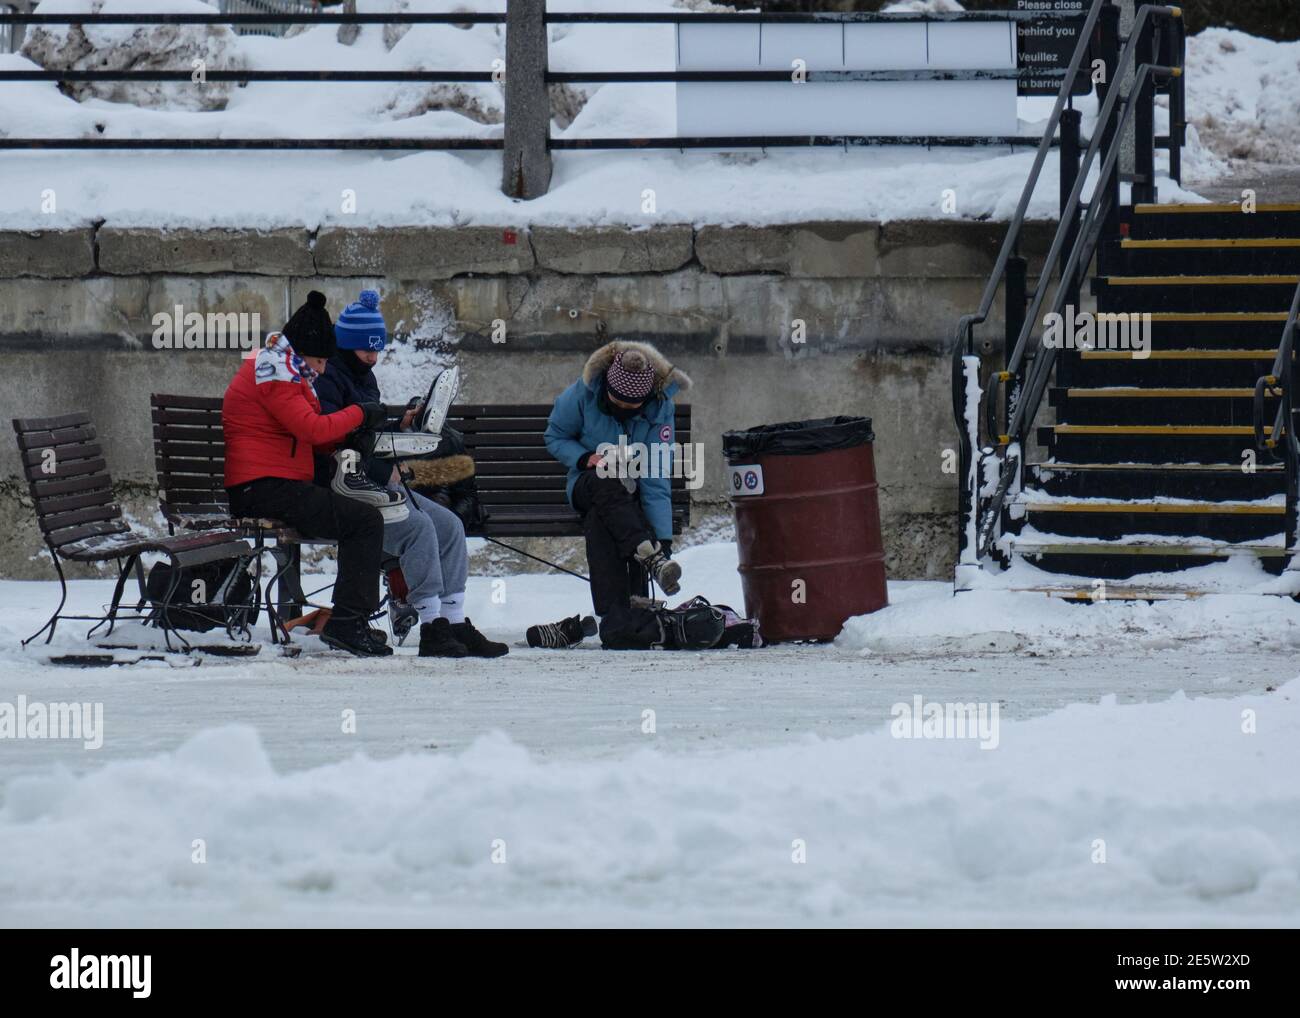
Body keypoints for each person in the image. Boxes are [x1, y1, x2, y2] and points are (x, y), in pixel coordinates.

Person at [314, 289, 508, 658]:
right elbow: (332, 441)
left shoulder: (363, 377)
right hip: (348, 488)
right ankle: (432, 625)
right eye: (366, 350)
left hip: (374, 479)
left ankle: (453, 621)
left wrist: (400, 425)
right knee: (417, 529)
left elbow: (365, 432)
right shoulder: (329, 380)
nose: (373, 357)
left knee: (449, 525)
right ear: (347, 344)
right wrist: (383, 464)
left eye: (377, 350)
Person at [222, 291, 391, 657]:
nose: (323, 369)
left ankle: (349, 620)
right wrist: (361, 413)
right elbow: (311, 429)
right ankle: (347, 623)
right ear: (302, 353)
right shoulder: (274, 373)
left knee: (362, 515)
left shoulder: (284, 368)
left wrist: (350, 437)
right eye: (319, 360)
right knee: (363, 521)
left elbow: (312, 436)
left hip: (272, 483)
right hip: (262, 487)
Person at [543, 340, 692, 647]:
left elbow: (654, 472)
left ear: (646, 397)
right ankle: (647, 560)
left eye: (631, 405)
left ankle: (616, 622)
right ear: (607, 386)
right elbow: (555, 435)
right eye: (616, 401)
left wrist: (661, 538)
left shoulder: (660, 408)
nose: (622, 408)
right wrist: (585, 458)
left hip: (627, 497)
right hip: (586, 483)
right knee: (603, 479)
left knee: (604, 519)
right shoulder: (583, 393)